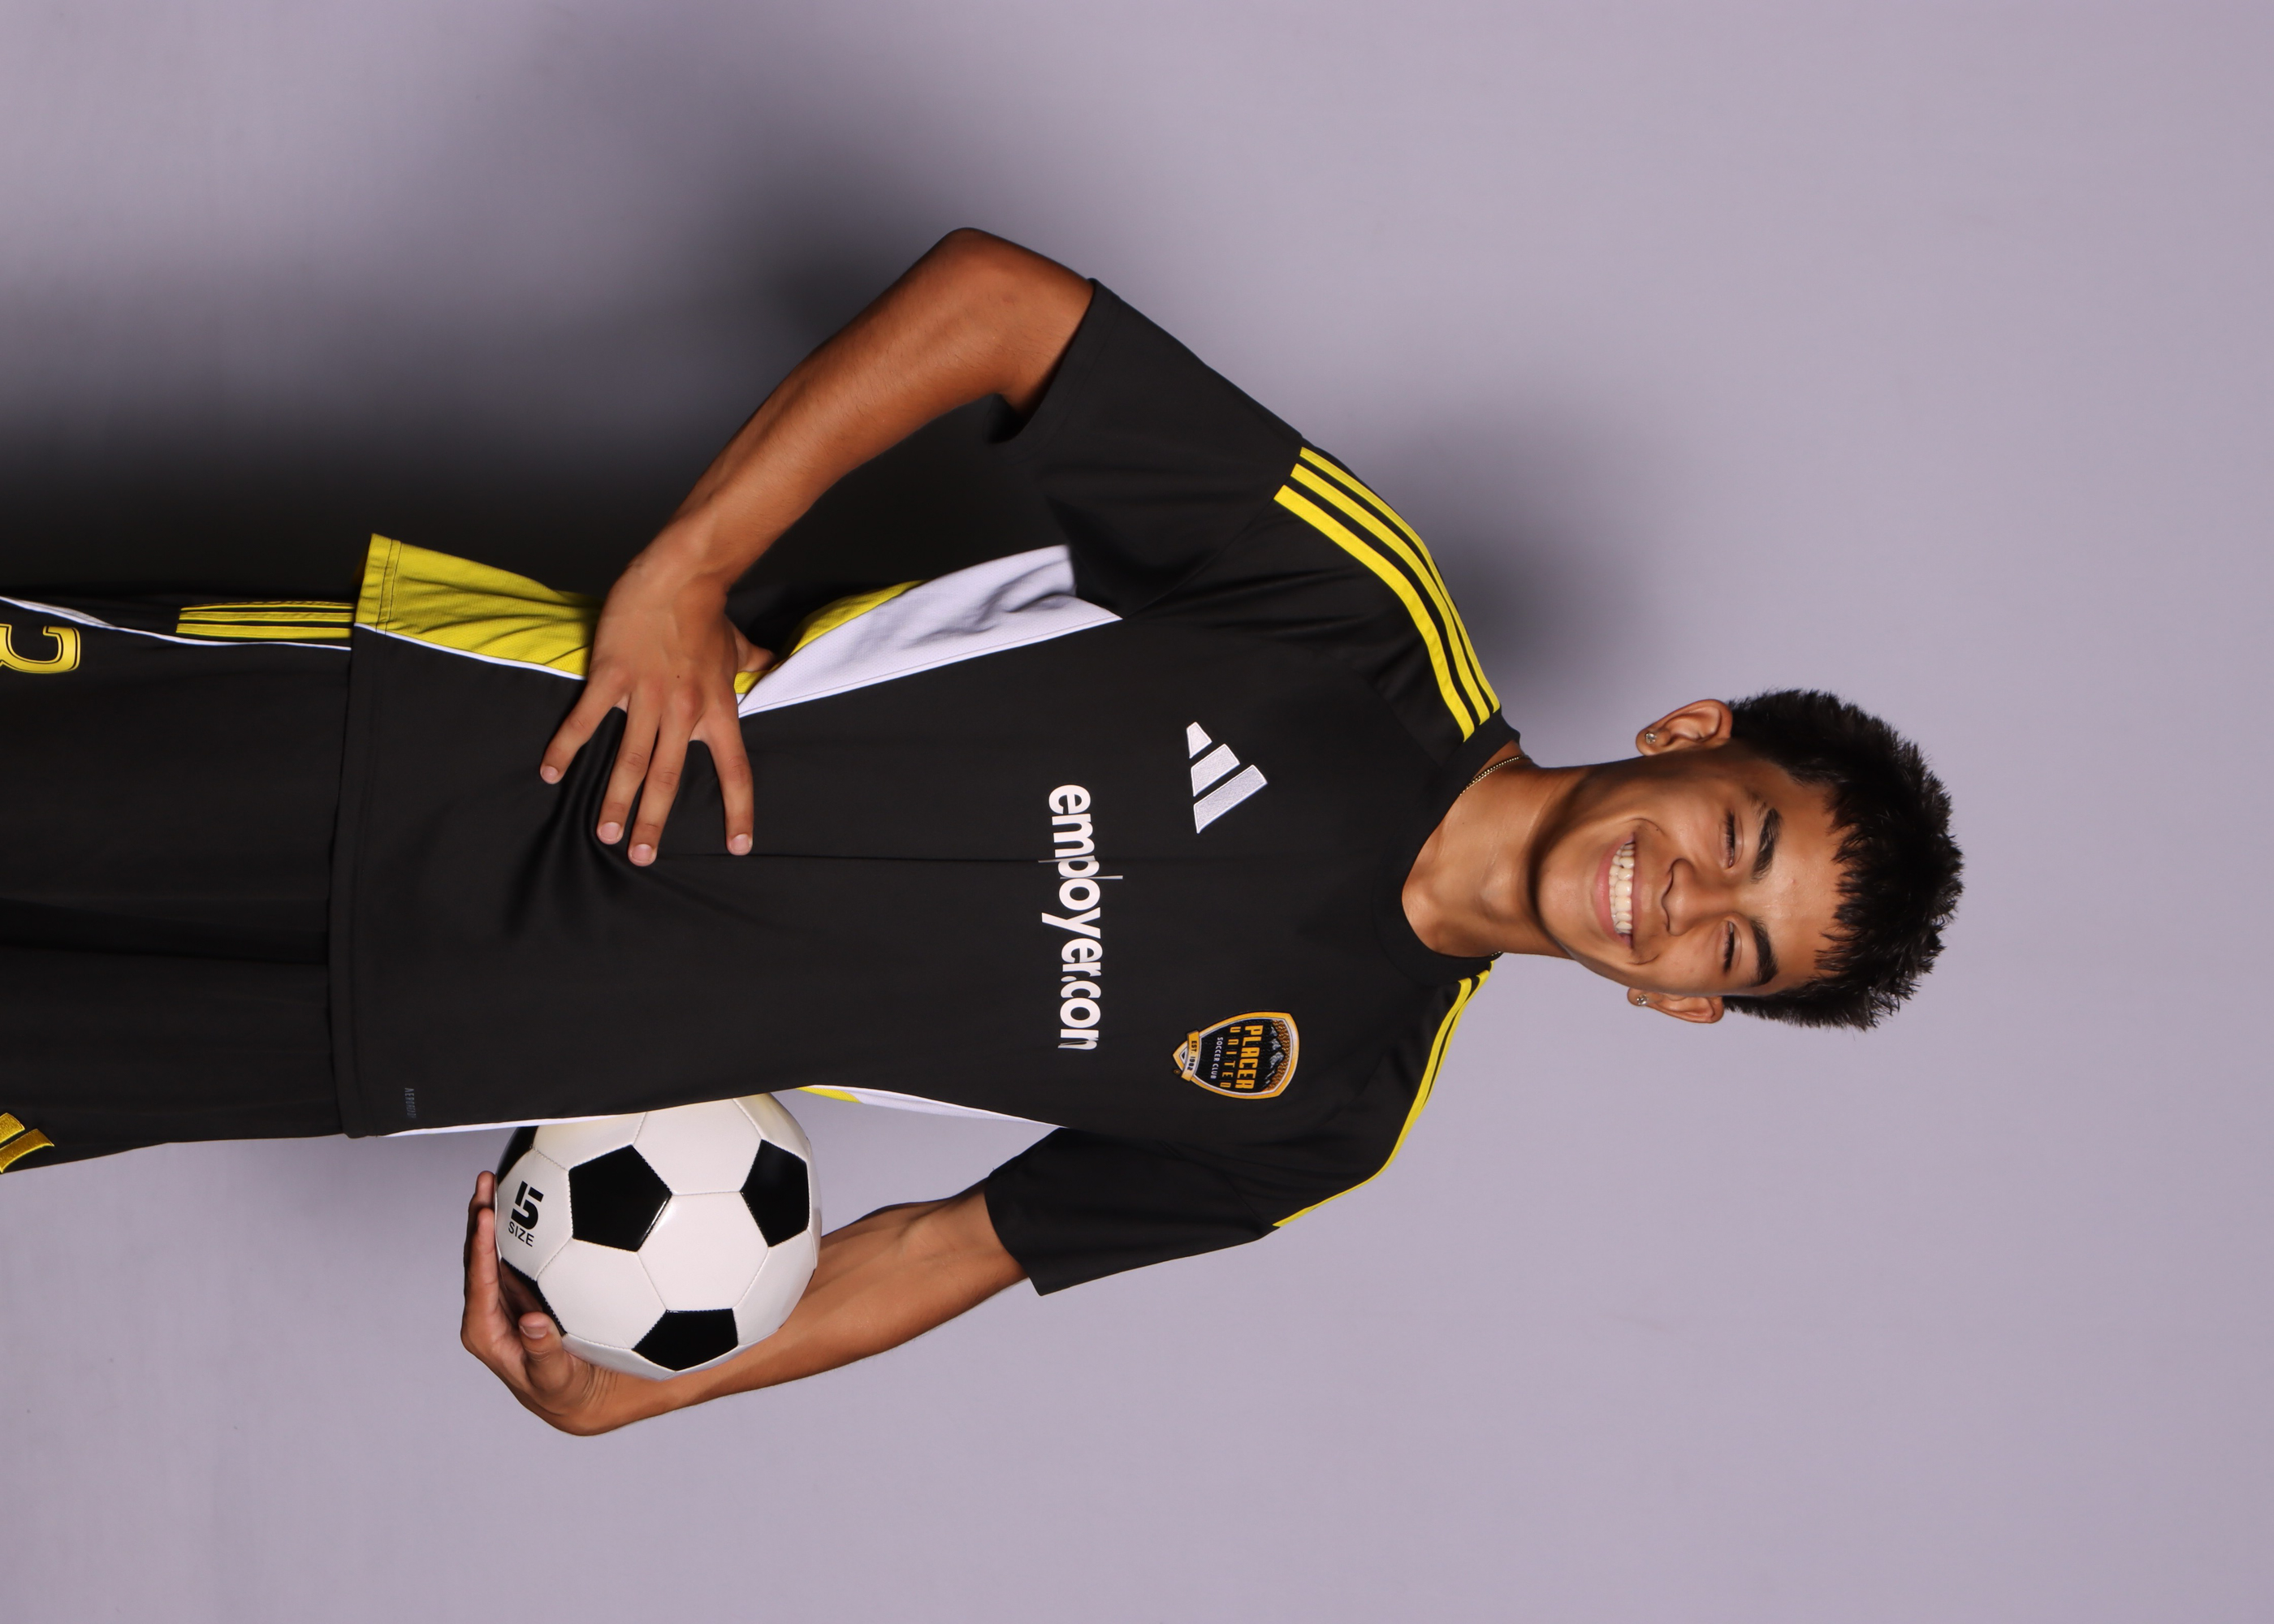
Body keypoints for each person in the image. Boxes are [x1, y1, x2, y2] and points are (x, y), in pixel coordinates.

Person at [0, 230, 1961, 1433]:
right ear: (1687, 736)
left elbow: (954, 1247)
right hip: (428, 741)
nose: (1682, 897)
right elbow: (1000, 308)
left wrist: (652, 1388)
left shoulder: (1324, 1111)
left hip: (412, 1043)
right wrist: (688, 568)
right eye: (1735, 832)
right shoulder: (1359, 619)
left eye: (1732, 945)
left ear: (1682, 1005)